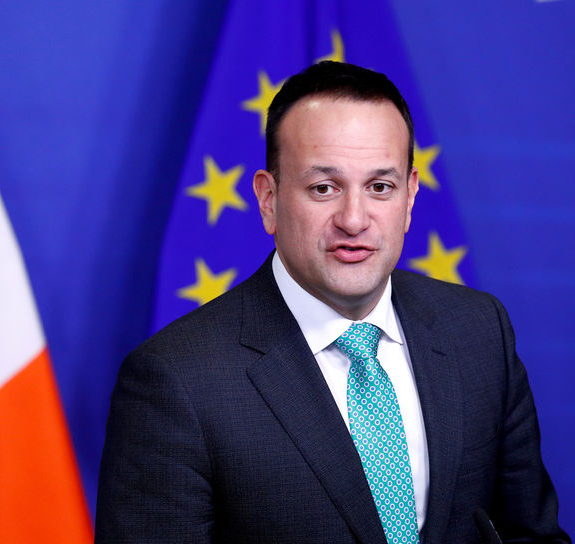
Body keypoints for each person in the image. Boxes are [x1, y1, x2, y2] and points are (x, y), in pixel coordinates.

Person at [94, 61, 569, 543]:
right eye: (324, 188)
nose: (354, 219)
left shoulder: (479, 329)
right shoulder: (176, 380)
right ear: (268, 199)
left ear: (409, 197)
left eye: (380, 187)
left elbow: (531, 534)